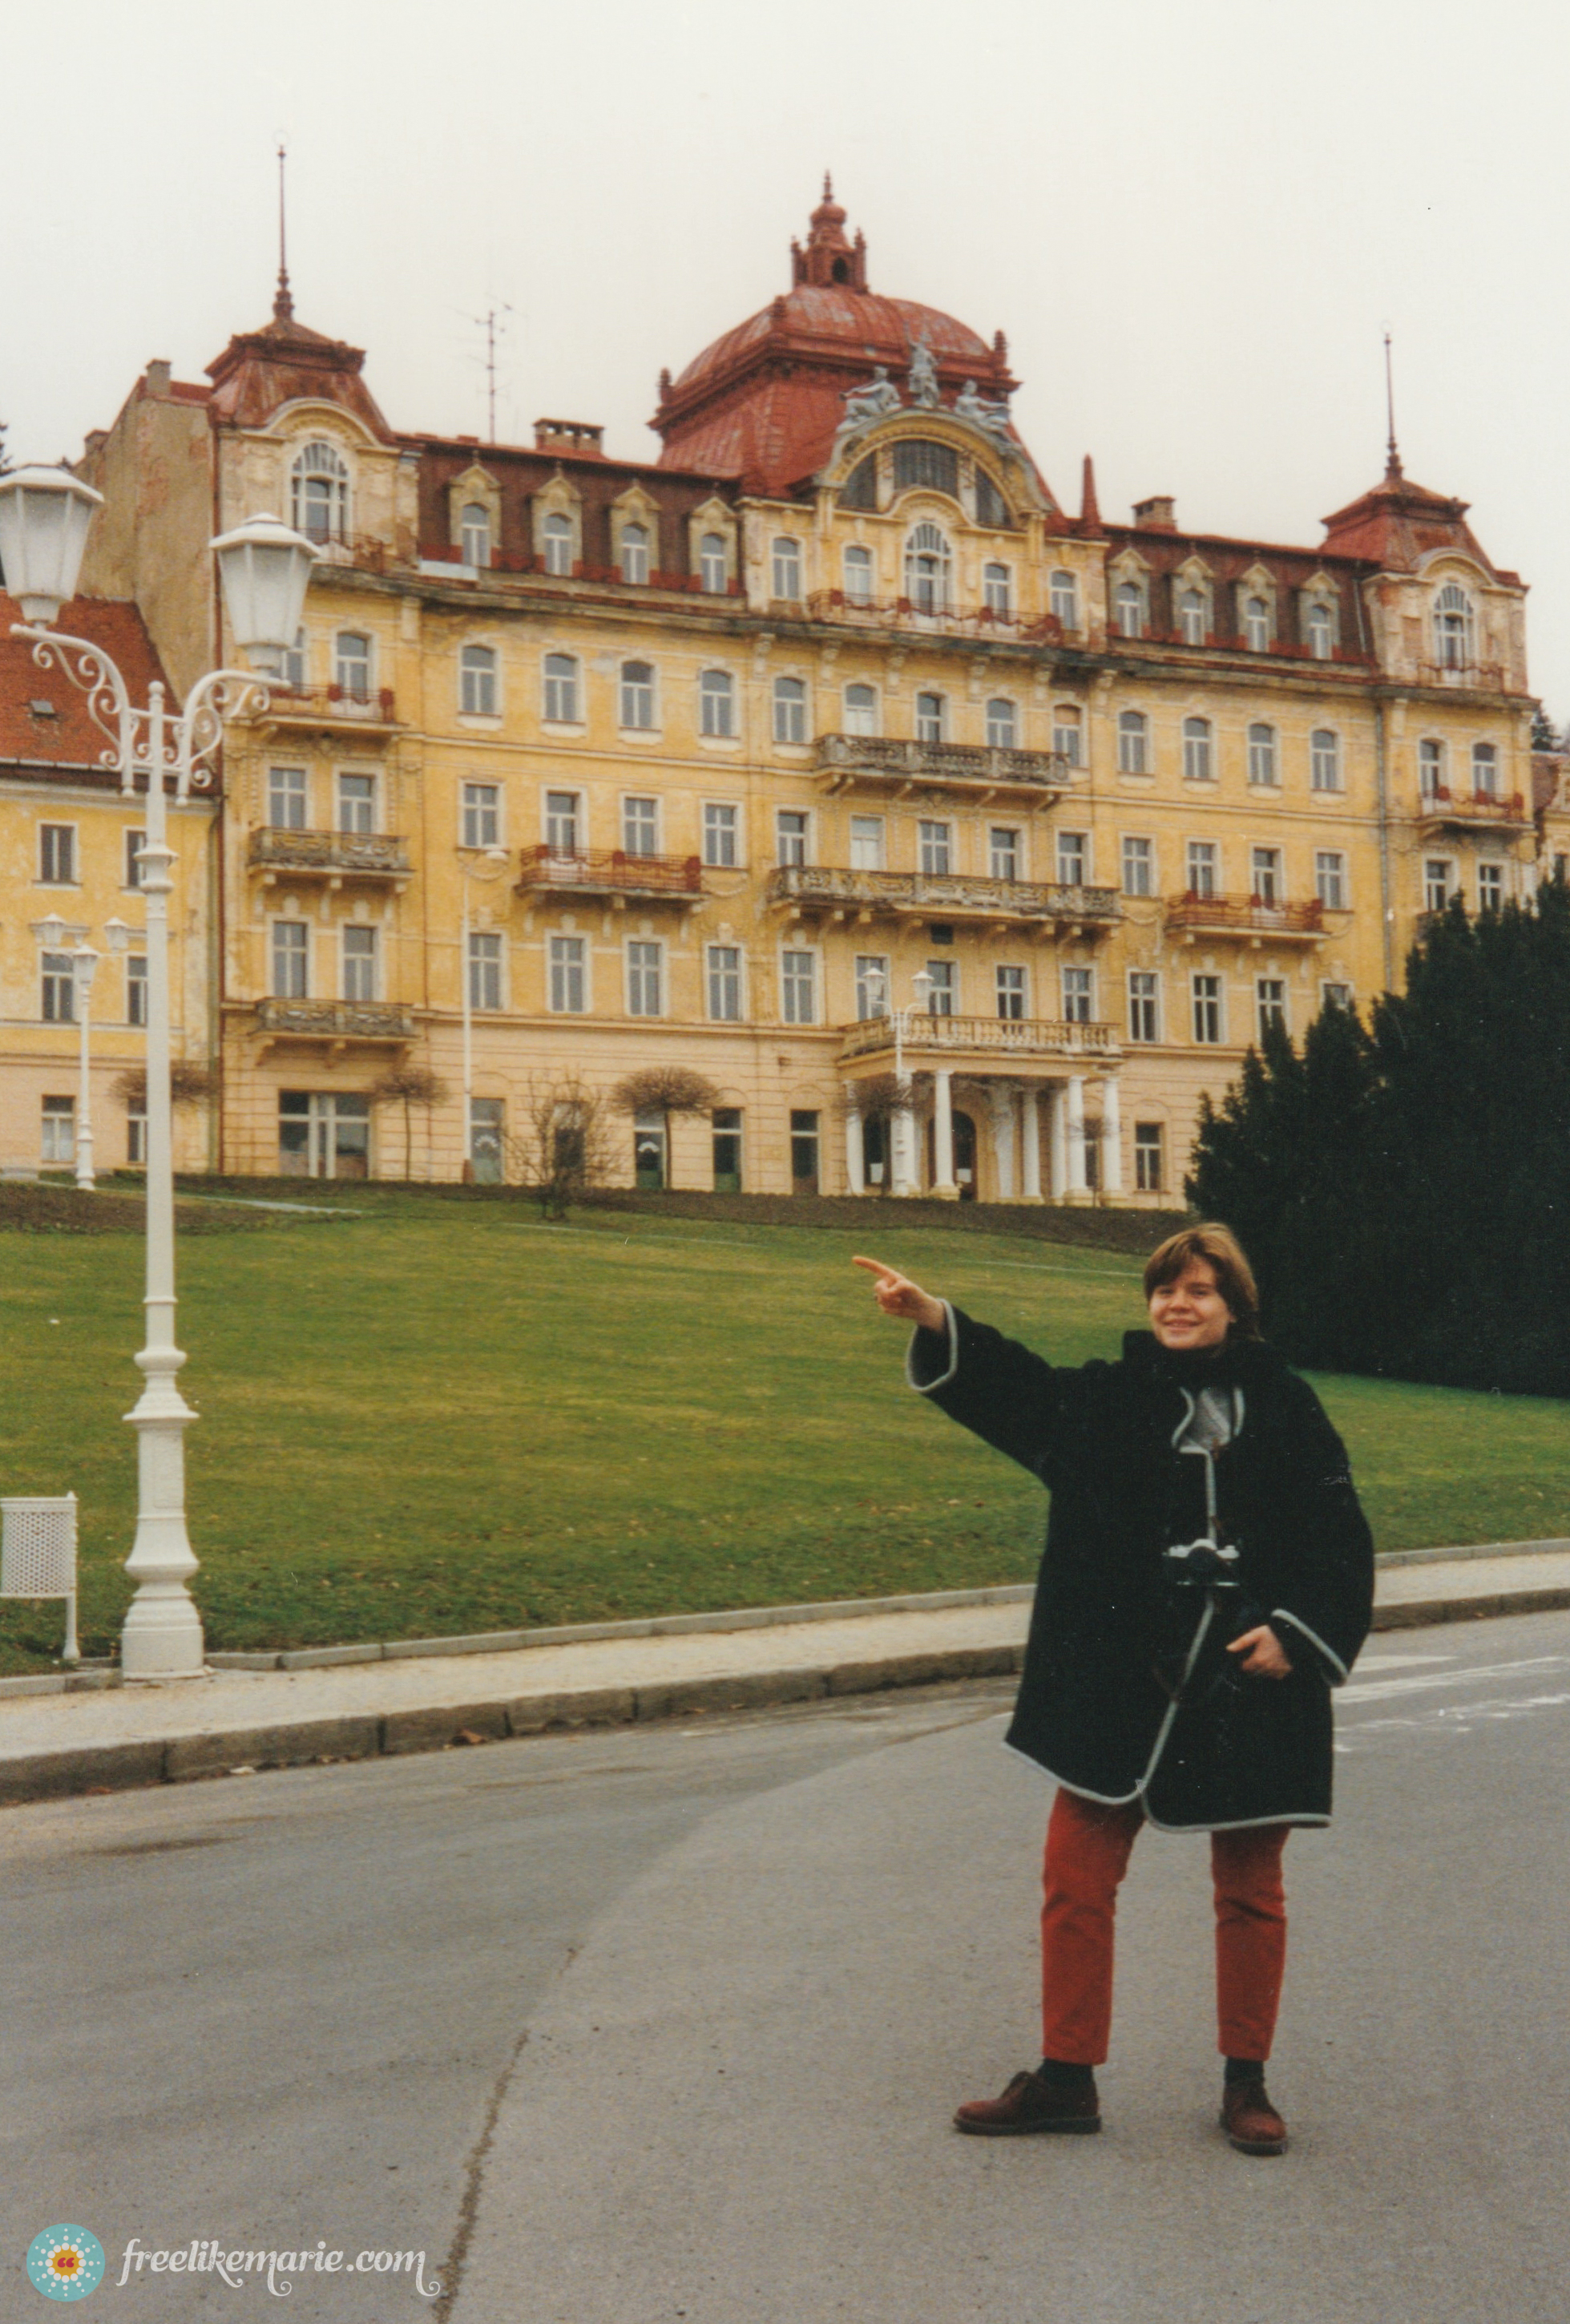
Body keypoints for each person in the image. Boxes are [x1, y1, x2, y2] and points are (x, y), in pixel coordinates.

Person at [853, 1224, 1373, 2157]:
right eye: (1165, 1290)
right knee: (1075, 1876)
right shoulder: (1108, 1398)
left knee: (1251, 1889)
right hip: (1120, 1678)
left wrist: (1297, 1635)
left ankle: (1246, 2083)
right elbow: (1018, 1391)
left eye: (1199, 1291)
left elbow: (1341, 1535)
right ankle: (1065, 2078)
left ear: (1234, 1306)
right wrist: (933, 1315)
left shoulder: (1288, 1407)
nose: (1177, 1305)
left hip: (1246, 1678)